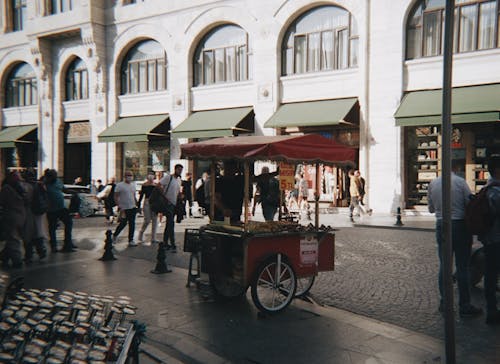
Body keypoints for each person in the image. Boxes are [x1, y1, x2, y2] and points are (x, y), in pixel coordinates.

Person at [427, 160, 482, 317]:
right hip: (459, 225)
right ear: (456, 168)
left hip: (440, 225)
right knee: (462, 266)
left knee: (444, 265)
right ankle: (464, 304)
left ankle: (445, 301)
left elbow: (431, 209)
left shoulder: (433, 183)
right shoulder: (460, 182)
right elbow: (469, 204)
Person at [478, 154, 500, 325]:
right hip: (496, 239)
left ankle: (492, 310)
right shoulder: (496, 191)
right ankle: (492, 311)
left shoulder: (487, 188)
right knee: (492, 276)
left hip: (489, 239)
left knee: (490, 275)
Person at [44, 169, 75, 253]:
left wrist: (73, 192)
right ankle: (53, 246)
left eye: (55, 176)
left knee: (69, 223)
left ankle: (68, 243)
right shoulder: (44, 183)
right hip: (51, 209)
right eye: (53, 176)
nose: (55, 177)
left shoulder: (58, 181)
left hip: (61, 207)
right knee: (52, 227)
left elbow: (64, 189)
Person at [0, 171, 27, 268]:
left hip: (11, 216)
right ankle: (4, 256)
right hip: (22, 215)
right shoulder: (22, 188)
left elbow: (1, 201)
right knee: (13, 237)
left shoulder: (6, 188)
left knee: (13, 238)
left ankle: (17, 260)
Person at [21, 169, 47, 263]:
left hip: (29, 212)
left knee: (28, 234)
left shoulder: (25, 186)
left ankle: (29, 255)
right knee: (38, 233)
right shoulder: (39, 185)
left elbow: (25, 199)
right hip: (39, 213)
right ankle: (41, 252)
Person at [160, 164, 183, 252]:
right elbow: (159, 185)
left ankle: (165, 242)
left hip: (174, 204)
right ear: (175, 169)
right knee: (170, 223)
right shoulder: (168, 178)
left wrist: (180, 196)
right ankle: (172, 244)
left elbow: (177, 191)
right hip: (167, 204)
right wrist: (165, 197)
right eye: (179, 170)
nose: (180, 171)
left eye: (181, 170)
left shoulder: (179, 180)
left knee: (169, 224)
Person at [112, 171, 138, 246]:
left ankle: (131, 240)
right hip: (124, 208)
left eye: (131, 175)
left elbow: (134, 195)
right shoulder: (120, 185)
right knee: (123, 223)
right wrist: (119, 206)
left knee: (132, 224)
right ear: (124, 176)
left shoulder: (133, 185)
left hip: (132, 207)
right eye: (128, 175)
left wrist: (137, 205)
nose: (129, 177)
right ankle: (115, 235)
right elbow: (116, 196)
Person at [137, 173, 158, 244]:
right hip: (147, 202)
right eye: (150, 177)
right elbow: (141, 195)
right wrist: (138, 205)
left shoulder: (155, 185)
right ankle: (141, 233)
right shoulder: (144, 185)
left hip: (155, 202)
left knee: (155, 220)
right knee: (147, 220)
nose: (151, 178)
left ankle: (153, 238)